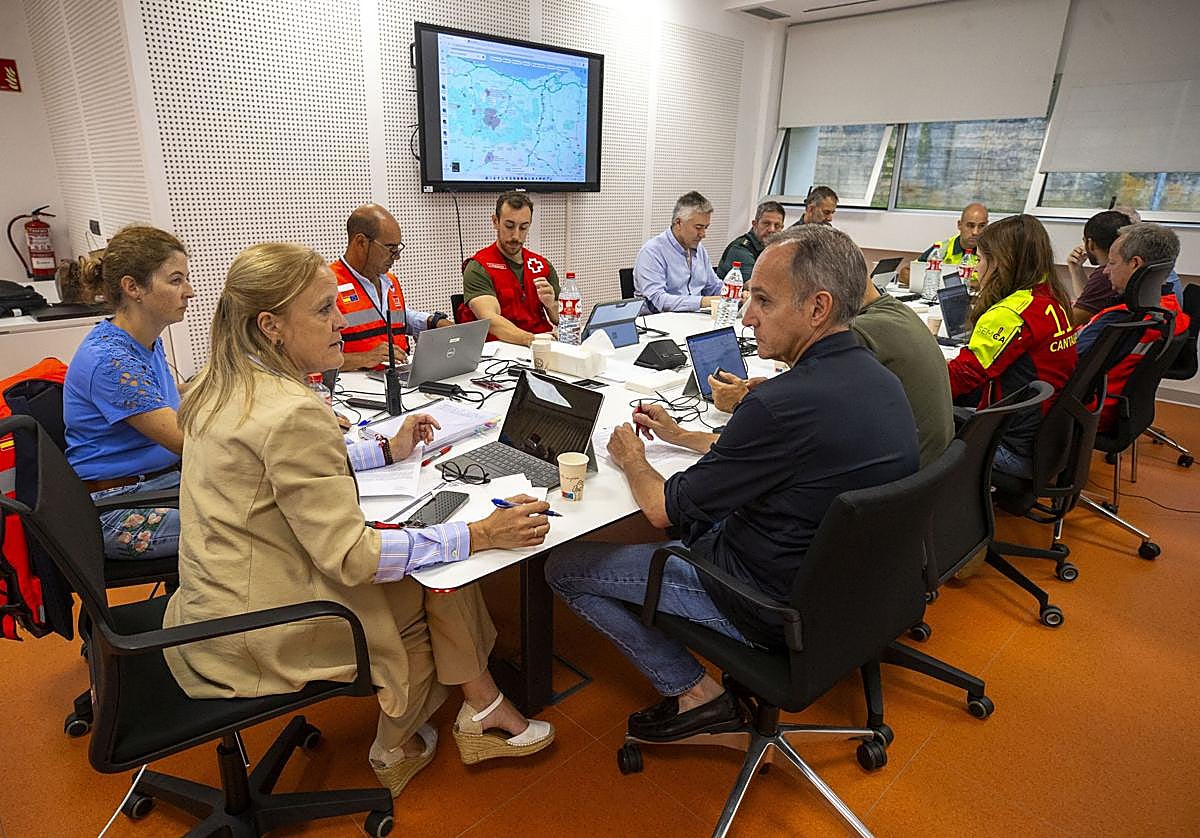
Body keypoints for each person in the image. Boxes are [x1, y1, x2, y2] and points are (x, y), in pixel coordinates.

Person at [164, 242, 555, 799]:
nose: (341, 321)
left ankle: (484, 706)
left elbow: (276, 465)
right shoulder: (292, 411)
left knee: (439, 567)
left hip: (217, 593)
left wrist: (386, 450)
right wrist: (477, 534)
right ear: (271, 325)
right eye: (324, 310)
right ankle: (396, 746)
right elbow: (352, 557)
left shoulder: (218, 381)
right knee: (436, 584)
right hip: (260, 623)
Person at [545, 226, 918, 741]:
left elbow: (661, 510)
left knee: (563, 567)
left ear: (817, 308)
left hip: (766, 603)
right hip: (853, 594)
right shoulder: (878, 380)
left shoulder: (777, 404)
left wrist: (633, 457)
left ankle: (698, 696)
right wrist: (677, 435)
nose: (746, 316)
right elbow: (772, 459)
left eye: (763, 301)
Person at [709, 232, 953, 469]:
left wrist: (743, 401)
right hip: (925, 480)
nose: (749, 319)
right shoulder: (895, 312)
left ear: (820, 303)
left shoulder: (854, 335)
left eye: (765, 300)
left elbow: (792, 418)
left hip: (892, 482)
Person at [63, 225, 193, 560]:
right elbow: (184, 440)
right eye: (176, 280)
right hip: (120, 508)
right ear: (132, 287)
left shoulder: (142, 341)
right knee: (250, 525)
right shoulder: (110, 360)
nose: (189, 291)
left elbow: (162, 399)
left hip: (156, 487)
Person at [946, 214, 1078, 478]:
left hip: (1011, 448)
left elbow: (957, 380)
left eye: (981, 259)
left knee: (916, 423)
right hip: (1048, 443)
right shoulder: (1051, 298)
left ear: (1001, 263)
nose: (976, 268)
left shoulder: (1010, 314)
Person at [1075, 223, 1190, 432]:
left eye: (1111, 263)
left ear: (1135, 264)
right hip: (1119, 408)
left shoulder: (1121, 319)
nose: (1105, 271)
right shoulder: (1171, 311)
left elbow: (1068, 361)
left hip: (1088, 409)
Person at [333, 204, 453, 371]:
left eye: (398, 249)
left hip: (399, 379)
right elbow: (311, 360)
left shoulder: (390, 281)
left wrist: (432, 322)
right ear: (360, 242)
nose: (396, 257)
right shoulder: (327, 285)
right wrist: (364, 358)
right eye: (391, 249)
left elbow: (390, 318)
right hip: (356, 389)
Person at [460, 192, 559, 346]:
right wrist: (532, 339)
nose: (516, 236)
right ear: (495, 221)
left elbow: (560, 319)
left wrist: (551, 304)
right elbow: (490, 319)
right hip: (501, 355)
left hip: (543, 347)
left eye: (523, 227)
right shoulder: (478, 267)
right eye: (509, 226)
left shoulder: (542, 265)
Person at [633, 191, 724, 313]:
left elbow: (714, 287)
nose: (703, 234)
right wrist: (702, 302)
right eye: (698, 227)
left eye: (705, 227)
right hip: (661, 322)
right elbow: (659, 300)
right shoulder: (652, 252)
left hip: (694, 319)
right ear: (678, 223)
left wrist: (736, 294)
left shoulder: (699, 249)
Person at [716, 200, 785, 279]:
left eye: (777, 225)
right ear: (755, 224)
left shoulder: (777, 247)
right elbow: (752, 285)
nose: (771, 229)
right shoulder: (741, 249)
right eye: (766, 223)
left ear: (782, 228)